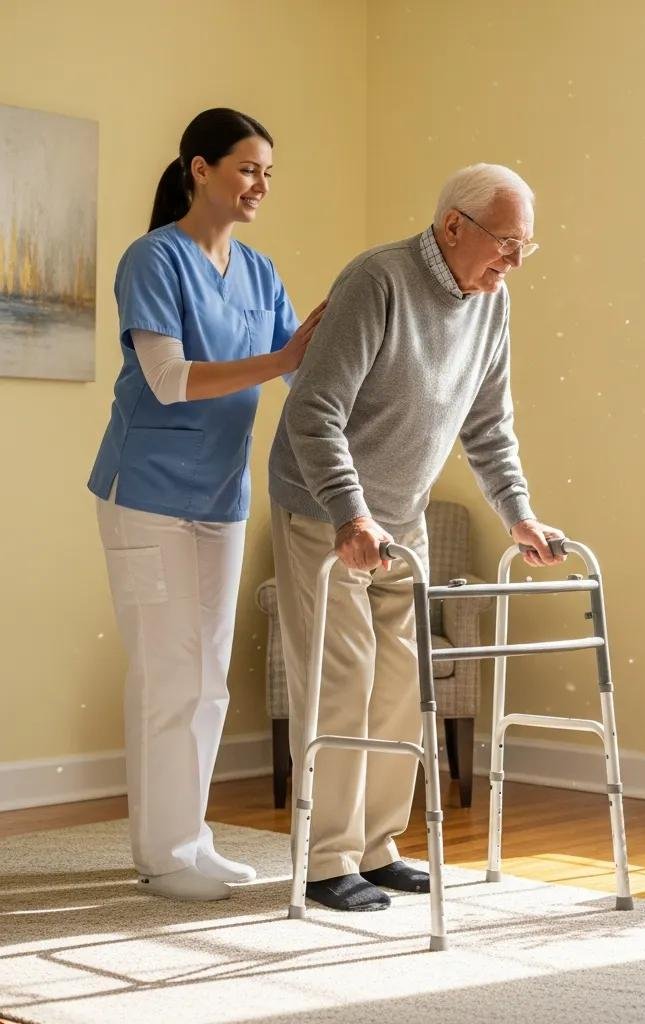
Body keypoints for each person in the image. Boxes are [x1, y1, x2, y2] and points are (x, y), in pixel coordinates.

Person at [268, 162, 564, 912]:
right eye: (507, 243)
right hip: (325, 514)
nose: (515, 262)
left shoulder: (490, 304)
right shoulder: (379, 280)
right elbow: (313, 412)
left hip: (403, 519)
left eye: (526, 248)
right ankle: (325, 859)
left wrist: (518, 512)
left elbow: (488, 426)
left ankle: (375, 846)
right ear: (453, 225)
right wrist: (348, 512)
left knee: (402, 688)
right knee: (342, 683)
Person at [87, 108, 325, 902]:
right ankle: (162, 856)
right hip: (147, 492)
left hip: (221, 495)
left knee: (210, 680)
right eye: (247, 169)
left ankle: (191, 839)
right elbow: (168, 378)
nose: (260, 185)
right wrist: (282, 358)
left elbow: (299, 373)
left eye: (267, 173)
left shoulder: (259, 271)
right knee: (168, 675)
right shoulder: (152, 258)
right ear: (199, 168)